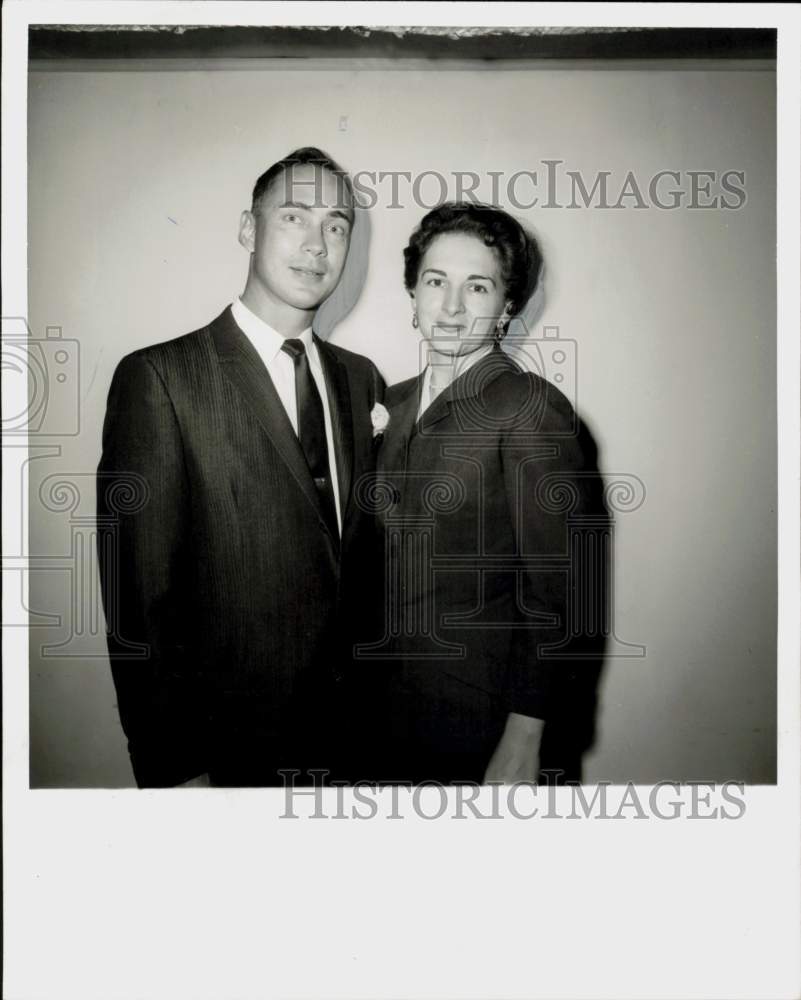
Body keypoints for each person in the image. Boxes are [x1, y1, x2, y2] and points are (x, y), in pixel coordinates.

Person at [97, 147, 385, 787]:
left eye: (337, 226)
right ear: (248, 230)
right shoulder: (161, 379)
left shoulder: (362, 381)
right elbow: (136, 602)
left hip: (359, 750)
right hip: (231, 757)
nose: (318, 245)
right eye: (294, 218)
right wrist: (175, 771)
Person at [372, 202, 606, 784]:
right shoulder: (391, 402)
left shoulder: (528, 407)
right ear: (413, 294)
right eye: (435, 282)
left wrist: (526, 735)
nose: (451, 306)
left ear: (506, 307)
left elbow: (562, 592)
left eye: (476, 287)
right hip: (384, 716)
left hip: (482, 722)